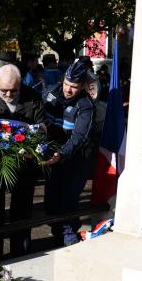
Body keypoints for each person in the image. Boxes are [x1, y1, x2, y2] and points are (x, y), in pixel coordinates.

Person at [0, 64, 46, 258]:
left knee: (22, 213)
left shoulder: (33, 97)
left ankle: (21, 254)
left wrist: (32, 144)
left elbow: (42, 127)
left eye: (13, 90)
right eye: (3, 90)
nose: (8, 94)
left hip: (24, 166)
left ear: (21, 84)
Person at [42, 60, 96, 246]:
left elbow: (79, 137)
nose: (68, 90)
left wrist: (62, 154)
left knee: (67, 204)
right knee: (51, 204)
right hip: (52, 159)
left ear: (81, 86)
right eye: (66, 84)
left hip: (74, 161)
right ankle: (58, 235)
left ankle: (69, 243)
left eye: (74, 87)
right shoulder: (50, 93)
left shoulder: (85, 106)